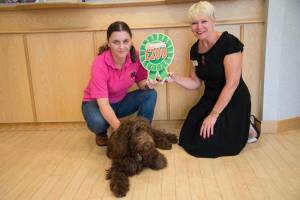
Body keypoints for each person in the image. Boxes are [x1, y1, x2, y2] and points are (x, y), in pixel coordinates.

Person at [168, 1, 260, 158]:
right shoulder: (194, 50)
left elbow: (232, 84)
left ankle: (248, 125)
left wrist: (213, 115)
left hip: (234, 97)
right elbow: (195, 83)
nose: (199, 27)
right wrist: (174, 78)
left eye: (204, 21)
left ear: (213, 21)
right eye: (194, 23)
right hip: (210, 96)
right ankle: (241, 124)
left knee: (209, 144)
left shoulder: (229, 43)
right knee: (187, 136)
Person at [82, 21, 158, 146]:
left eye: (126, 41)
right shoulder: (99, 64)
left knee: (150, 94)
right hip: (96, 104)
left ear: (131, 41)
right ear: (108, 43)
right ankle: (101, 133)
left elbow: (141, 83)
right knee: (98, 122)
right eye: (116, 42)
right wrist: (124, 134)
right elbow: (103, 104)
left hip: (119, 102)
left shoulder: (137, 56)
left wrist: (149, 84)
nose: (122, 46)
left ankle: (143, 132)